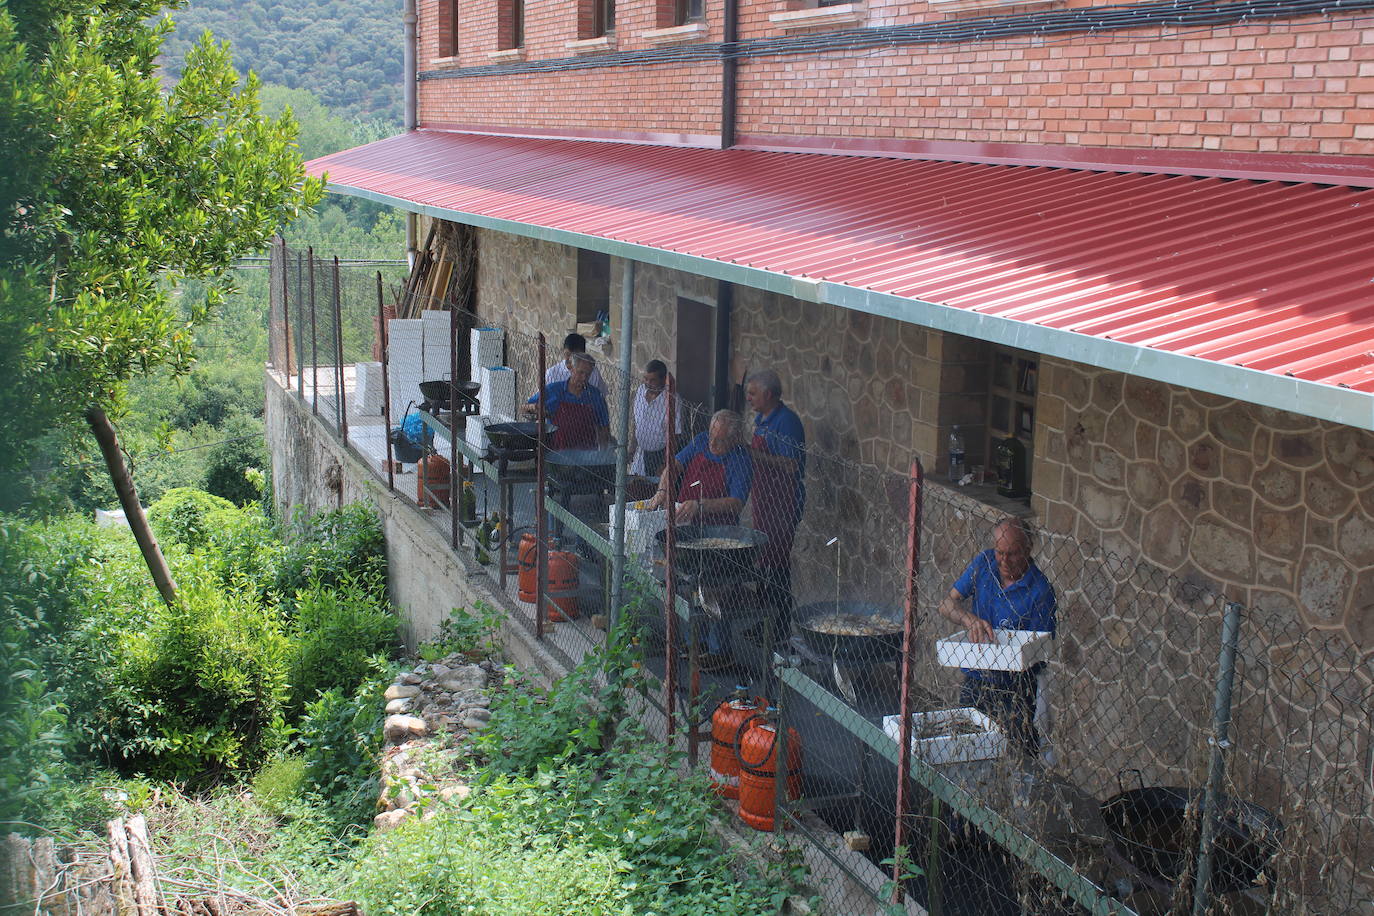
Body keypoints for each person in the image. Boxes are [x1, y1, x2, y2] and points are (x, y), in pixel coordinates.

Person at [935, 517, 1056, 758]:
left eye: (1012, 554)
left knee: (1016, 752)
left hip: (1016, 688)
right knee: (967, 745)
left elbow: (1041, 650)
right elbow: (946, 604)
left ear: (1027, 550)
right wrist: (969, 620)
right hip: (977, 678)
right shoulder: (984, 563)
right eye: (1000, 552)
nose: (1004, 560)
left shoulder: (1040, 591)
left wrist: (1013, 653)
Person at [745, 369, 806, 642]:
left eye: (753, 393)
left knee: (777, 567)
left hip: (782, 504)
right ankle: (764, 621)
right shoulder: (762, 419)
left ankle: (779, 626)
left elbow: (791, 465)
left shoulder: (787, 423)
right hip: (764, 501)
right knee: (763, 562)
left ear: (769, 394)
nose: (748, 398)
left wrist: (752, 453)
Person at [645, 409, 753, 526]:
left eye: (720, 440)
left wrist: (700, 505)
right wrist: (662, 490)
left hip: (717, 529)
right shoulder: (701, 440)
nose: (712, 443)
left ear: (734, 439)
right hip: (682, 520)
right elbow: (674, 465)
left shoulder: (741, 460)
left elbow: (737, 504)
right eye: (711, 435)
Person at [522, 353, 610, 450]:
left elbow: (604, 427)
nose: (584, 378)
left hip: (586, 453)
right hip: (555, 451)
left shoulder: (596, 395)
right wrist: (534, 407)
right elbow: (525, 408)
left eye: (588, 374)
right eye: (580, 373)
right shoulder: (553, 390)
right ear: (571, 369)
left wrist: (603, 451)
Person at [629, 359, 682, 479]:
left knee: (655, 489)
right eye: (646, 379)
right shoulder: (641, 391)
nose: (648, 383)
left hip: (660, 455)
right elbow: (636, 422)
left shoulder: (673, 400)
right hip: (641, 453)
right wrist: (632, 447)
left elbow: (676, 435)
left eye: (652, 380)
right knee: (637, 485)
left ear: (663, 380)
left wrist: (665, 463)